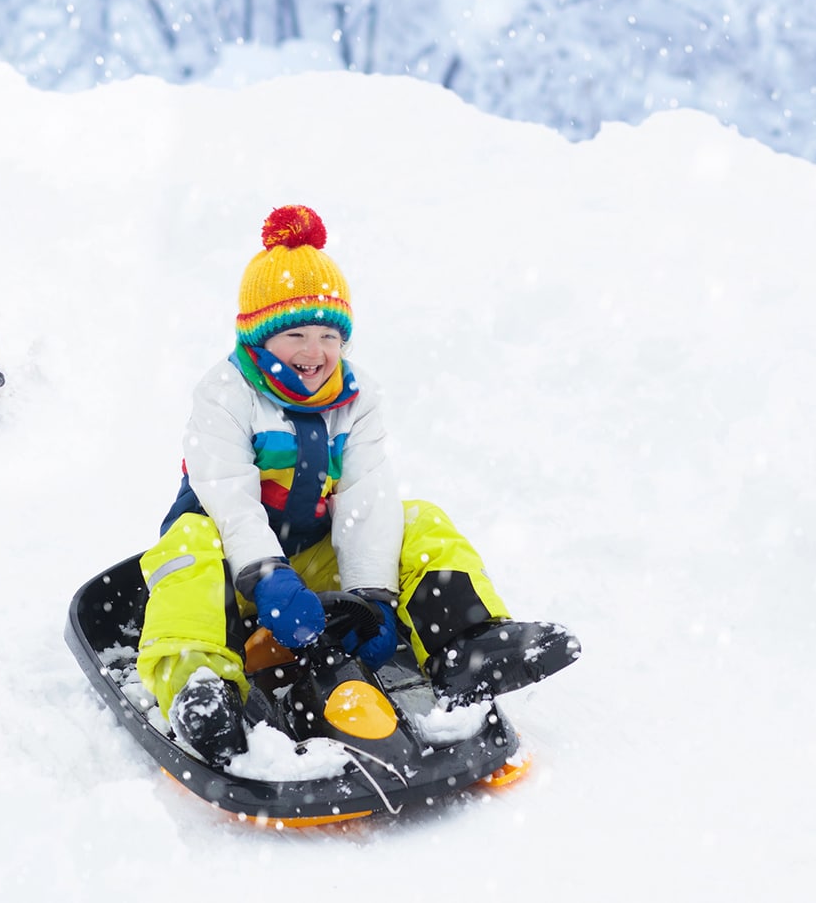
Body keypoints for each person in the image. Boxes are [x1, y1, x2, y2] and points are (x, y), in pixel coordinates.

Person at [136, 204, 580, 768]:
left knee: (419, 520)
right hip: (233, 565)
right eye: (294, 333)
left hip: (315, 559)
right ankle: (199, 686)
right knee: (185, 547)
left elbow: (367, 499)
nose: (314, 351)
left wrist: (372, 596)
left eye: (328, 335)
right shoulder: (224, 394)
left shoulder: (358, 398)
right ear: (259, 339)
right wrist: (269, 578)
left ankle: (464, 643)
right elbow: (229, 499)